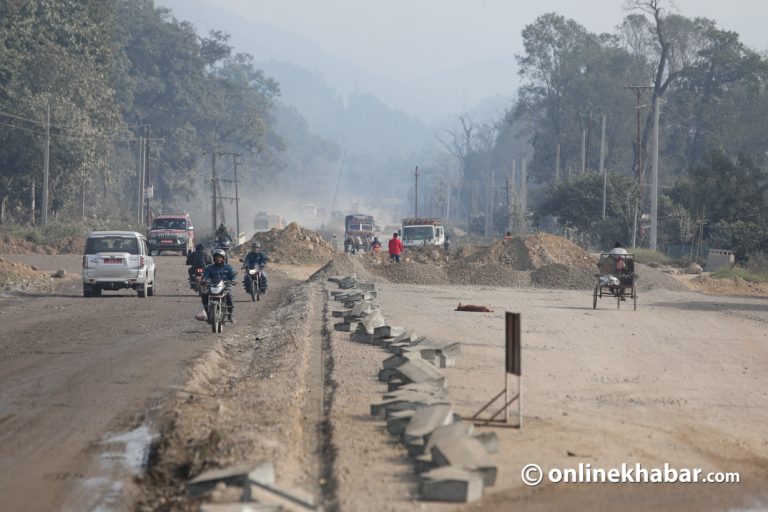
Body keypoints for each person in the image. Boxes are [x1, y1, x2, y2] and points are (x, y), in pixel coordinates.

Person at [202, 248, 237, 322]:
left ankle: (230, 315)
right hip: (212, 287)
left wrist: (233, 280)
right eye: (217, 257)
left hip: (225, 287)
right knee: (204, 294)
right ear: (214, 258)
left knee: (229, 296)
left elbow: (233, 275)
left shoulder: (228, 267)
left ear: (223, 258)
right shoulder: (209, 268)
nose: (218, 259)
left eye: (220, 257)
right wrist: (203, 280)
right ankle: (208, 312)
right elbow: (205, 276)